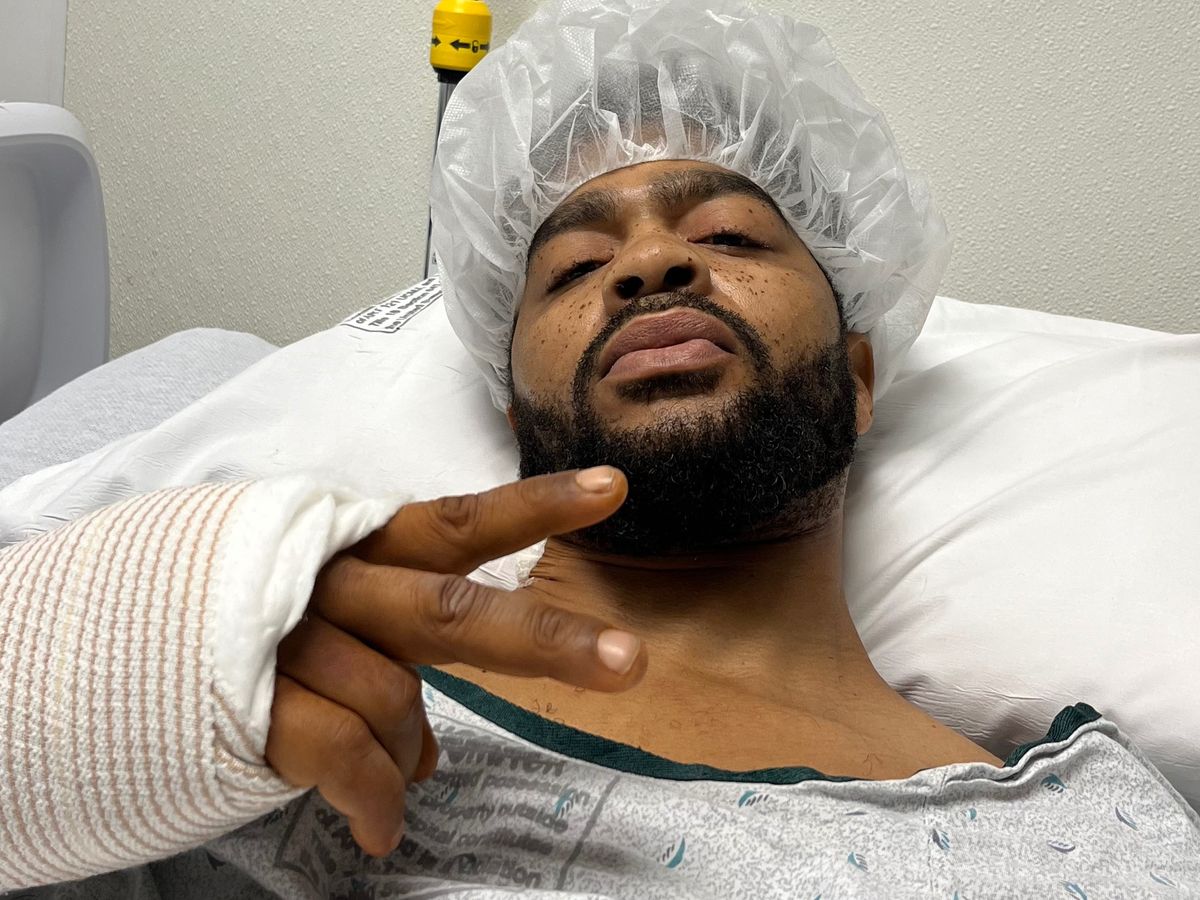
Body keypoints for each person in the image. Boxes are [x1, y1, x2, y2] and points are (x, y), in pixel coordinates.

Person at [1, 0, 1197, 897]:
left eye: (730, 233)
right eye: (576, 266)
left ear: (858, 377)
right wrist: (122, 669)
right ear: (514, 412)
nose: (651, 262)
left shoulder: (1091, 832)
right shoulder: (261, 693)